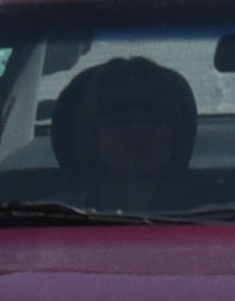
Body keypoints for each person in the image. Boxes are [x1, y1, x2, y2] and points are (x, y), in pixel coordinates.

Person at [48, 56, 202, 210]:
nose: (139, 129)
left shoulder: (214, 215)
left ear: (177, 132)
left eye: (155, 116)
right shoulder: (45, 219)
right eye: (117, 117)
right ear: (89, 133)